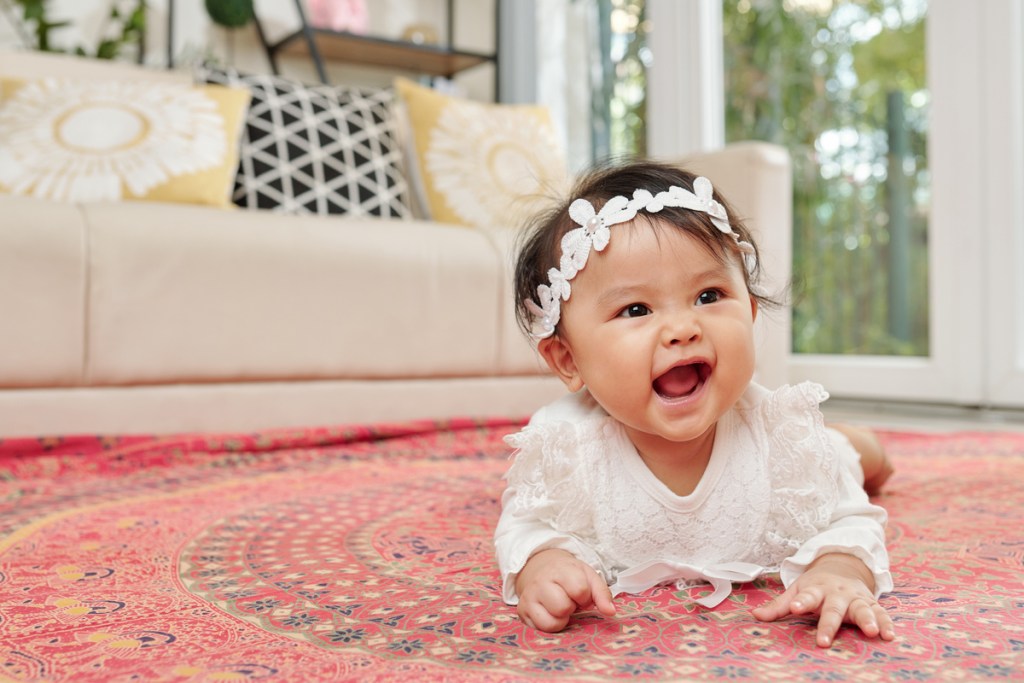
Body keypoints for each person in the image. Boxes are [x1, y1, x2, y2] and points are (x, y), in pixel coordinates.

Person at [494, 160, 896, 648]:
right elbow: (527, 523)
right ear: (567, 359)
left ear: (748, 311)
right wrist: (544, 559)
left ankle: (854, 442)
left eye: (709, 295)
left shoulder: (782, 440)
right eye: (636, 310)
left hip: (803, 458)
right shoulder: (567, 445)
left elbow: (847, 518)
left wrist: (840, 568)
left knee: (853, 459)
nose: (684, 328)